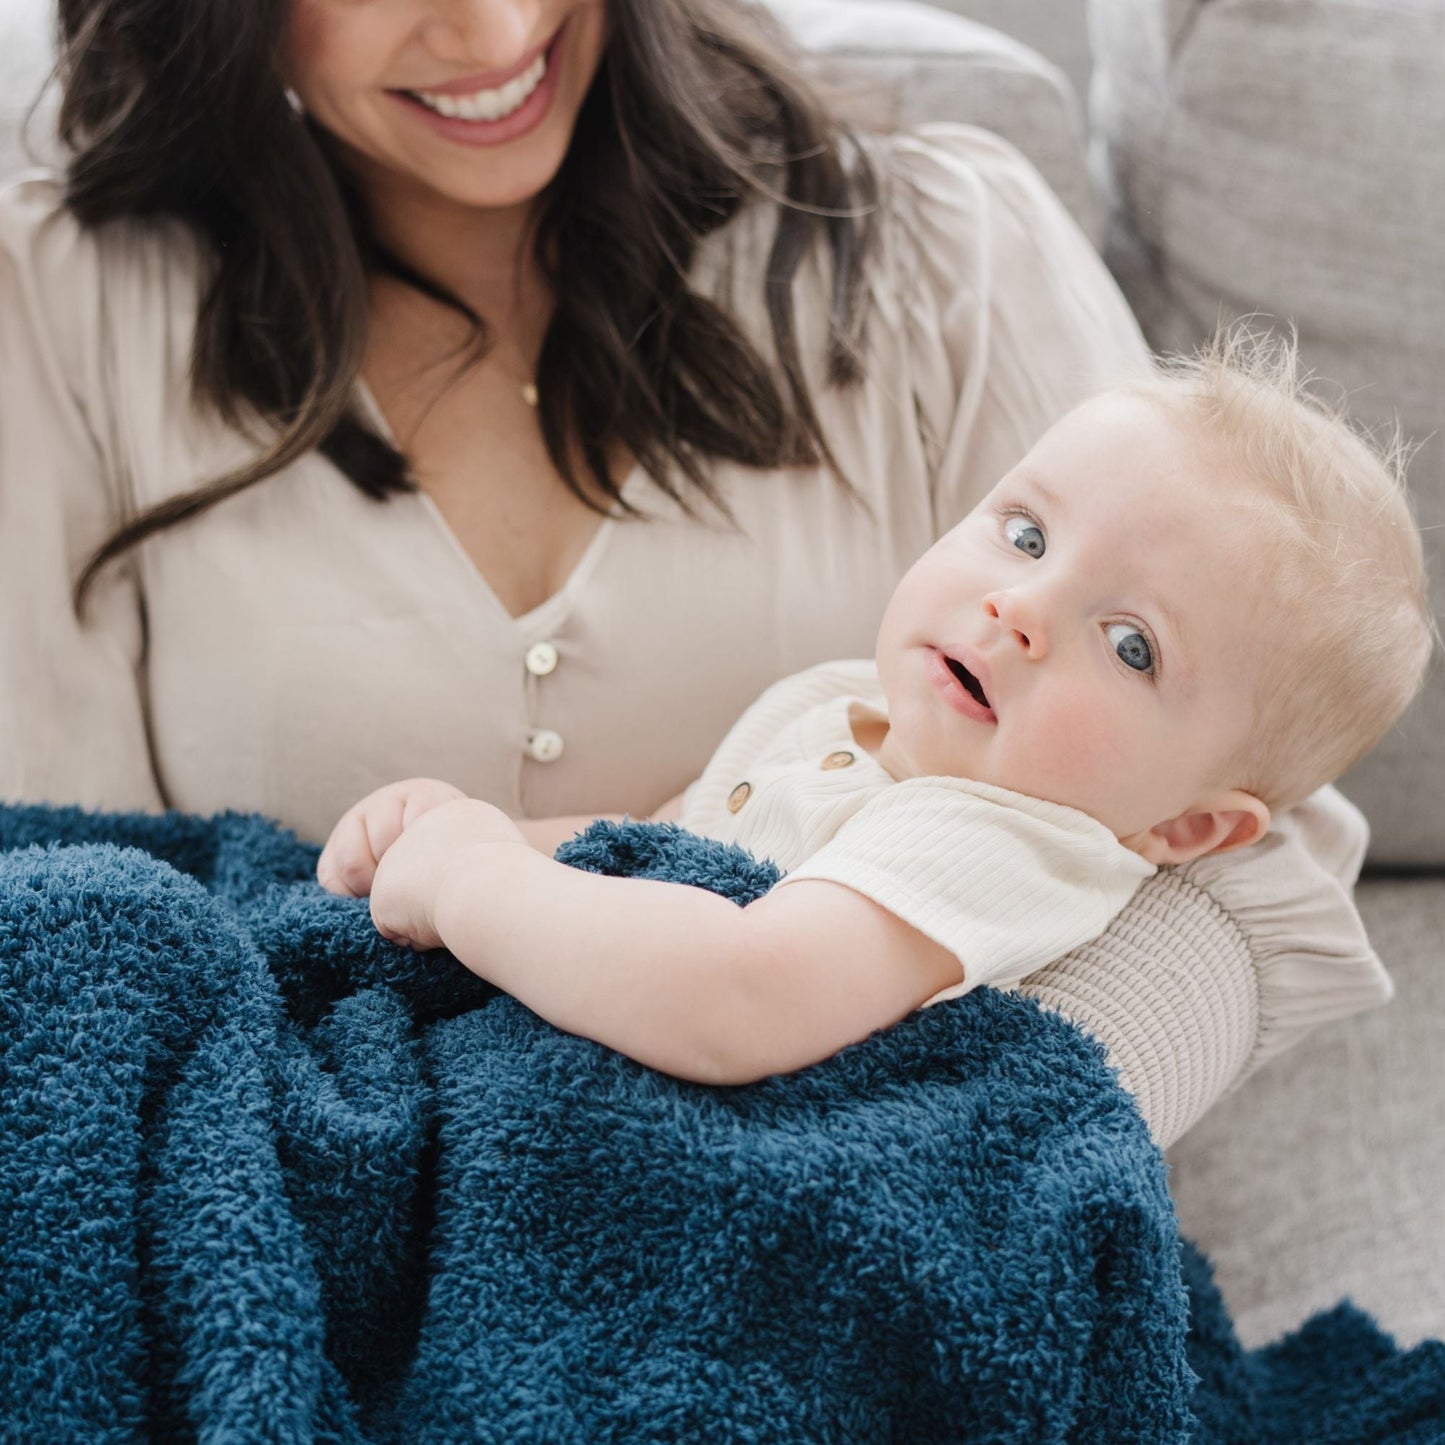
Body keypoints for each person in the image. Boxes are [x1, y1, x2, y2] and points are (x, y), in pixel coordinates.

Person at [0, 0, 1389, 1141]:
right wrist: (458, 855)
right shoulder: (59, 312)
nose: (493, 30)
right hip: (316, 1157)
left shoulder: (944, 254)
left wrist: (954, 1147)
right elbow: (65, 904)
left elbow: (1265, 837)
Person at [316, 336, 1432, 1084]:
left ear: (1184, 828)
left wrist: (475, 881)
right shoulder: (839, 705)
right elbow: (653, 849)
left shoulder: (996, 838)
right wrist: (481, 833)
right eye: (1028, 534)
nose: (1019, 606)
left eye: (1130, 643)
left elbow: (734, 1000)